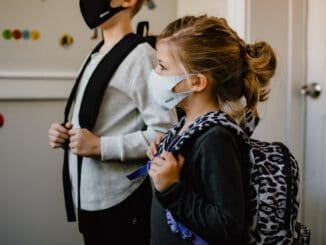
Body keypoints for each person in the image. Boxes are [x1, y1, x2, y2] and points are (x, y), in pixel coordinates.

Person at [48, 0, 177, 244]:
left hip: (121, 200)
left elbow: (165, 132)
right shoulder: (94, 54)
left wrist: (100, 147)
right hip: (87, 197)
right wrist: (65, 133)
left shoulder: (141, 57)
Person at [146, 15, 277, 244]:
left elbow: (228, 226)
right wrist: (166, 148)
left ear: (196, 82)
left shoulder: (215, 139)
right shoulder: (187, 126)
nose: (155, 73)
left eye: (162, 66)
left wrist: (172, 189)